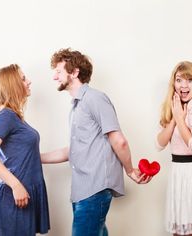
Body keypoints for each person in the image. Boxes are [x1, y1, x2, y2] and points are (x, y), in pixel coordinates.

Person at [41, 48, 152, 236]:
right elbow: (73, 150)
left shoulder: (95, 98)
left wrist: (130, 170)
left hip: (94, 190)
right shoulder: (77, 106)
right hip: (82, 191)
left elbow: (119, 141)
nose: (54, 77)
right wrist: (34, 157)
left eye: (59, 71)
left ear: (74, 72)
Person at [0, 64, 50, 236]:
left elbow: (28, 156)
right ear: (13, 84)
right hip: (16, 196)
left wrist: (75, 150)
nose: (29, 82)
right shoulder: (6, 115)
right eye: (24, 78)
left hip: (24, 195)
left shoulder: (15, 117)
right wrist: (16, 185)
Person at [156, 61, 192, 236]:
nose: (184, 85)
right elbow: (159, 144)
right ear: (174, 83)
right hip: (179, 173)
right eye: (179, 80)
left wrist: (180, 119)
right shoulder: (173, 106)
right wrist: (174, 117)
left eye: (190, 80)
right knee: (180, 232)